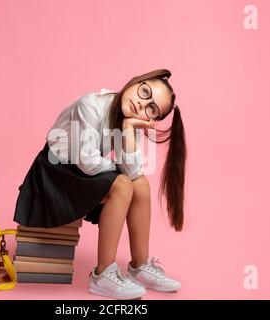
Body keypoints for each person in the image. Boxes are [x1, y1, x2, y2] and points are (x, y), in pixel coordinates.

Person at [13, 68, 187, 300]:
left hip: (80, 171)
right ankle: (102, 274)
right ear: (136, 82)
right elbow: (87, 162)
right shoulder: (90, 104)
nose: (141, 104)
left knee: (140, 185)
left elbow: (134, 172)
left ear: (150, 119)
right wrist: (117, 170)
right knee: (123, 184)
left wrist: (128, 128)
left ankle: (140, 265)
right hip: (54, 173)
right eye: (144, 92)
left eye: (151, 108)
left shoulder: (129, 121)